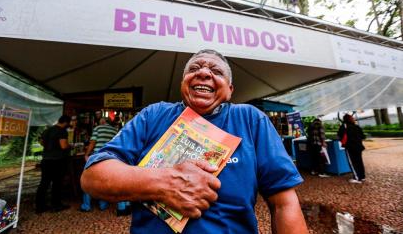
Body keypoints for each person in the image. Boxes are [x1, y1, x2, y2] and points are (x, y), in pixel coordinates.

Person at [81, 49, 308, 233]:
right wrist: (162, 182)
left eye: (216, 71)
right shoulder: (154, 115)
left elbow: (284, 203)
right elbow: (92, 177)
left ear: (230, 90)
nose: (204, 73)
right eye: (194, 68)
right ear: (183, 83)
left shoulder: (250, 119)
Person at [80, 118, 129, 215]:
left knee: (89, 180)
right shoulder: (115, 130)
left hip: (98, 157)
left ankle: (86, 206)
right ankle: (105, 205)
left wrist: (87, 154)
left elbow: (92, 142)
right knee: (109, 181)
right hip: (112, 158)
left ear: (102, 122)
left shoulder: (98, 128)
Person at [36, 115, 71, 213]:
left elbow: (41, 142)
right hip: (57, 160)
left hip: (46, 159)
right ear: (66, 122)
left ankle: (40, 206)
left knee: (44, 183)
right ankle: (56, 205)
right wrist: (70, 146)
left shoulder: (48, 130)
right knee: (57, 183)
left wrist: (49, 147)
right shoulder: (62, 131)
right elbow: (63, 146)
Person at [337, 114, 366, 184]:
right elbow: (363, 136)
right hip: (359, 147)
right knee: (359, 161)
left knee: (353, 162)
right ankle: (362, 176)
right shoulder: (356, 126)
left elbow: (339, 136)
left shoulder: (344, 127)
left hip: (350, 147)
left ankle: (357, 178)